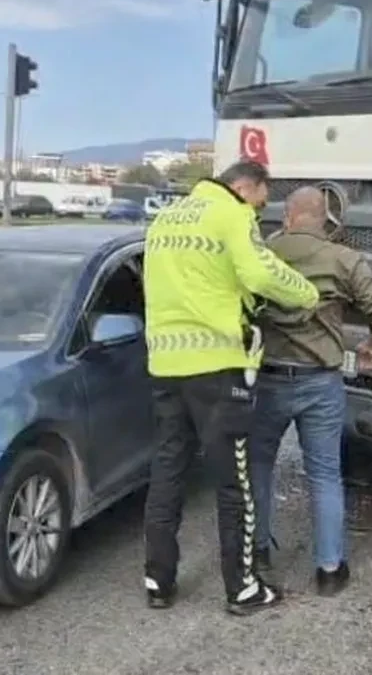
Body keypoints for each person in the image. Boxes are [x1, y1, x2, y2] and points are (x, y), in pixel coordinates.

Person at [141, 161, 320, 616]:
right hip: (218, 366)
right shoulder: (231, 213)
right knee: (233, 483)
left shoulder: (166, 217)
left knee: (167, 473)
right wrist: (307, 294)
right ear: (245, 186)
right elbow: (260, 273)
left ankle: (158, 580)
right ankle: (242, 589)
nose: (259, 212)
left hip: (165, 363)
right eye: (260, 202)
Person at [249, 185, 372, 597]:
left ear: (289, 216)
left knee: (258, 467)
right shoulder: (344, 259)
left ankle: (258, 554)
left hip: (268, 379)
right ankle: (329, 570)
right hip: (320, 382)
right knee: (325, 473)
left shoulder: (263, 254)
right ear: (326, 219)